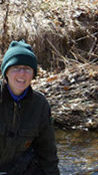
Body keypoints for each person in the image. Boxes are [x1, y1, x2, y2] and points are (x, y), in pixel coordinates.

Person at [0, 40, 60, 174]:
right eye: (16, 68)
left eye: (27, 69)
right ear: (6, 72)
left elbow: (48, 152)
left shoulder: (40, 105)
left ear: (33, 74)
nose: (22, 73)